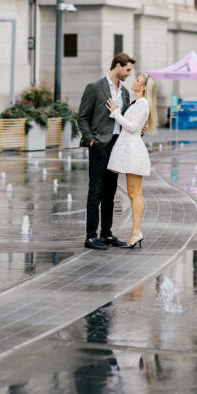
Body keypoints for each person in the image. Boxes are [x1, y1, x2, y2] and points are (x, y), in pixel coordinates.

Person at [77, 52, 136, 250]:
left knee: (110, 193)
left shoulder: (125, 93)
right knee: (95, 191)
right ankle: (91, 236)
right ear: (117, 66)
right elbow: (82, 117)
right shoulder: (95, 88)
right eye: (127, 69)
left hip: (118, 146)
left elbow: (125, 119)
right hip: (99, 146)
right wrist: (91, 141)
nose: (129, 74)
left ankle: (107, 234)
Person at [106, 72, 158, 249]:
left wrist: (116, 113)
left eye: (137, 80)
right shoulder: (139, 103)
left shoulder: (142, 104)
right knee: (133, 192)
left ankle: (136, 232)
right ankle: (135, 232)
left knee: (135, 193)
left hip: (134, 152)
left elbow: (134, 128)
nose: (134, 81)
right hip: (132, 151)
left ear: (142, 87)